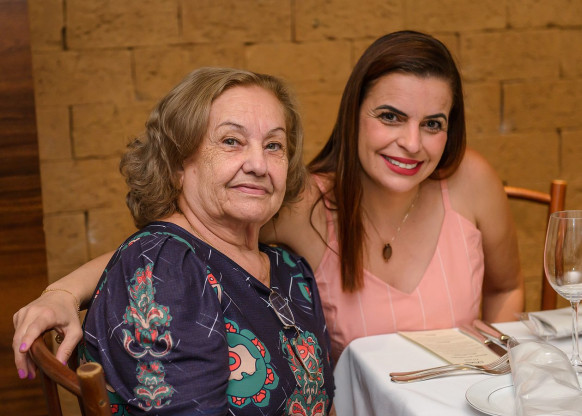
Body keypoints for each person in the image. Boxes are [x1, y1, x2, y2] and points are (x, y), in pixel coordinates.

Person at [13, 31, 523, 370]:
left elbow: (506, 287)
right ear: (354, 115)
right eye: (390, 116)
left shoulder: (471, 180)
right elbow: (173, 244)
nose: (412, 143)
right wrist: (63, 292)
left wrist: (494, 360)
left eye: (433, 123)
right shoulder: (306, 203)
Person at [16, 67, 335, 415]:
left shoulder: (290, 269)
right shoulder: (164, 271)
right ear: (177, 165)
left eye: (274, 145)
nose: (259, 164)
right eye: (231, 141)